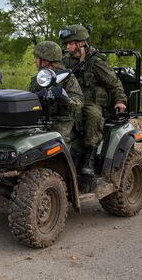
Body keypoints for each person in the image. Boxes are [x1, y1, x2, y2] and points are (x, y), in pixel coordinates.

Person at [59, 25, 127, 175]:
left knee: (93, 116)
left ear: (81, 43)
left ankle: (89, 155)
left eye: (70, 43)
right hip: (71, 100)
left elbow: (114, 83)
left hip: (90, 102)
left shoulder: (96, 62)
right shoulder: (66, 62)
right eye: (67, 44)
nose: (67, 47)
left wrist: (120, 100)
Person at [28, 41, 83, 144]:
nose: (34, 61)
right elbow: (29, 98)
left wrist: (65, 99)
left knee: (54, 143)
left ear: (46, 60)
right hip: (39, 120)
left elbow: (79, 103)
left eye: (36, 58)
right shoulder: (38, 78)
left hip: (62, 121)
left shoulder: (67, 77)